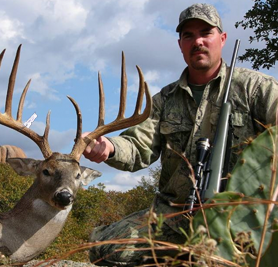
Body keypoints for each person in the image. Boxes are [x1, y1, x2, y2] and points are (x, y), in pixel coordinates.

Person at [83, 3, 278, 266]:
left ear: (222, 39)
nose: (197, 41)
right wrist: (108, 146)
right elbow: (137, 145)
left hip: (242, 217)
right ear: (181, 45)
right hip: (175, 215)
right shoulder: (164, 99)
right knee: (103, 250)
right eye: (189, 35)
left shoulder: (256, 89)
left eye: (205, 33)